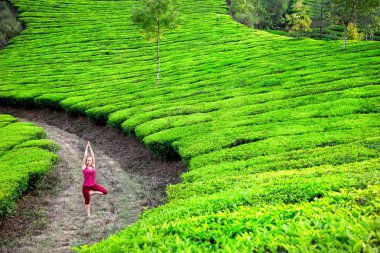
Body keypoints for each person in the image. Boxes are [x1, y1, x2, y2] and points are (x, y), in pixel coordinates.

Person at [82, 141, 107, 217]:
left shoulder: (93, 166)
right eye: (88, 160)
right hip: (86, 187)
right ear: (86, 161)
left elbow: (93, 155)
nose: (89, 161)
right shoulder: (84, 167)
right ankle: (88, 213)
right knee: (87, 201)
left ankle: (92, 193)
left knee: (104, 192)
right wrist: (86, 147)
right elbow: (85, 156)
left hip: (93, 185)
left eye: (90, 160)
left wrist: (90, 147)